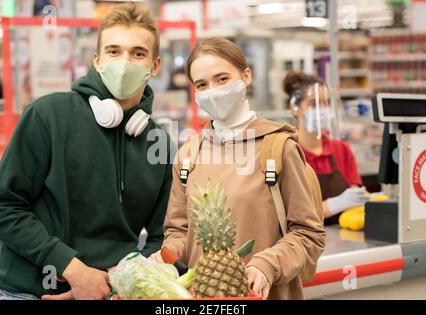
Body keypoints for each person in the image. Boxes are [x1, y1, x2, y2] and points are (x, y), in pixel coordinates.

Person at [0, 2, 173, 300]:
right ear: (97, 60)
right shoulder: (47, 116)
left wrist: (121, 282)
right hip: (31, 293)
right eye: (113, 51)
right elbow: (1, 207)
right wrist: (72, 268)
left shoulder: (159, 142)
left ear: (155, 65)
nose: (125, 62)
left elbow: (163, 238)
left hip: (109, 294)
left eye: (138, 53)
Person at [150, 38, 326, 300]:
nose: (213, 91)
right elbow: (180, 232)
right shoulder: (188, 155)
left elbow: (308, 234)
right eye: (202, 85)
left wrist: (266, 265)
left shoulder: (278, 147)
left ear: (246, 76)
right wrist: (164, 257)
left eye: (222, 79)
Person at [283, 71, 370, 225]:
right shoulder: (288, 152)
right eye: (314, 104)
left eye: (326, 103)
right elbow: (290, 213)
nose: (322, 110)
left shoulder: (341, 150)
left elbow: (354, 198)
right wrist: (334, 204)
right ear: (295, 108)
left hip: (344, 237)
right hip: (305, 242)